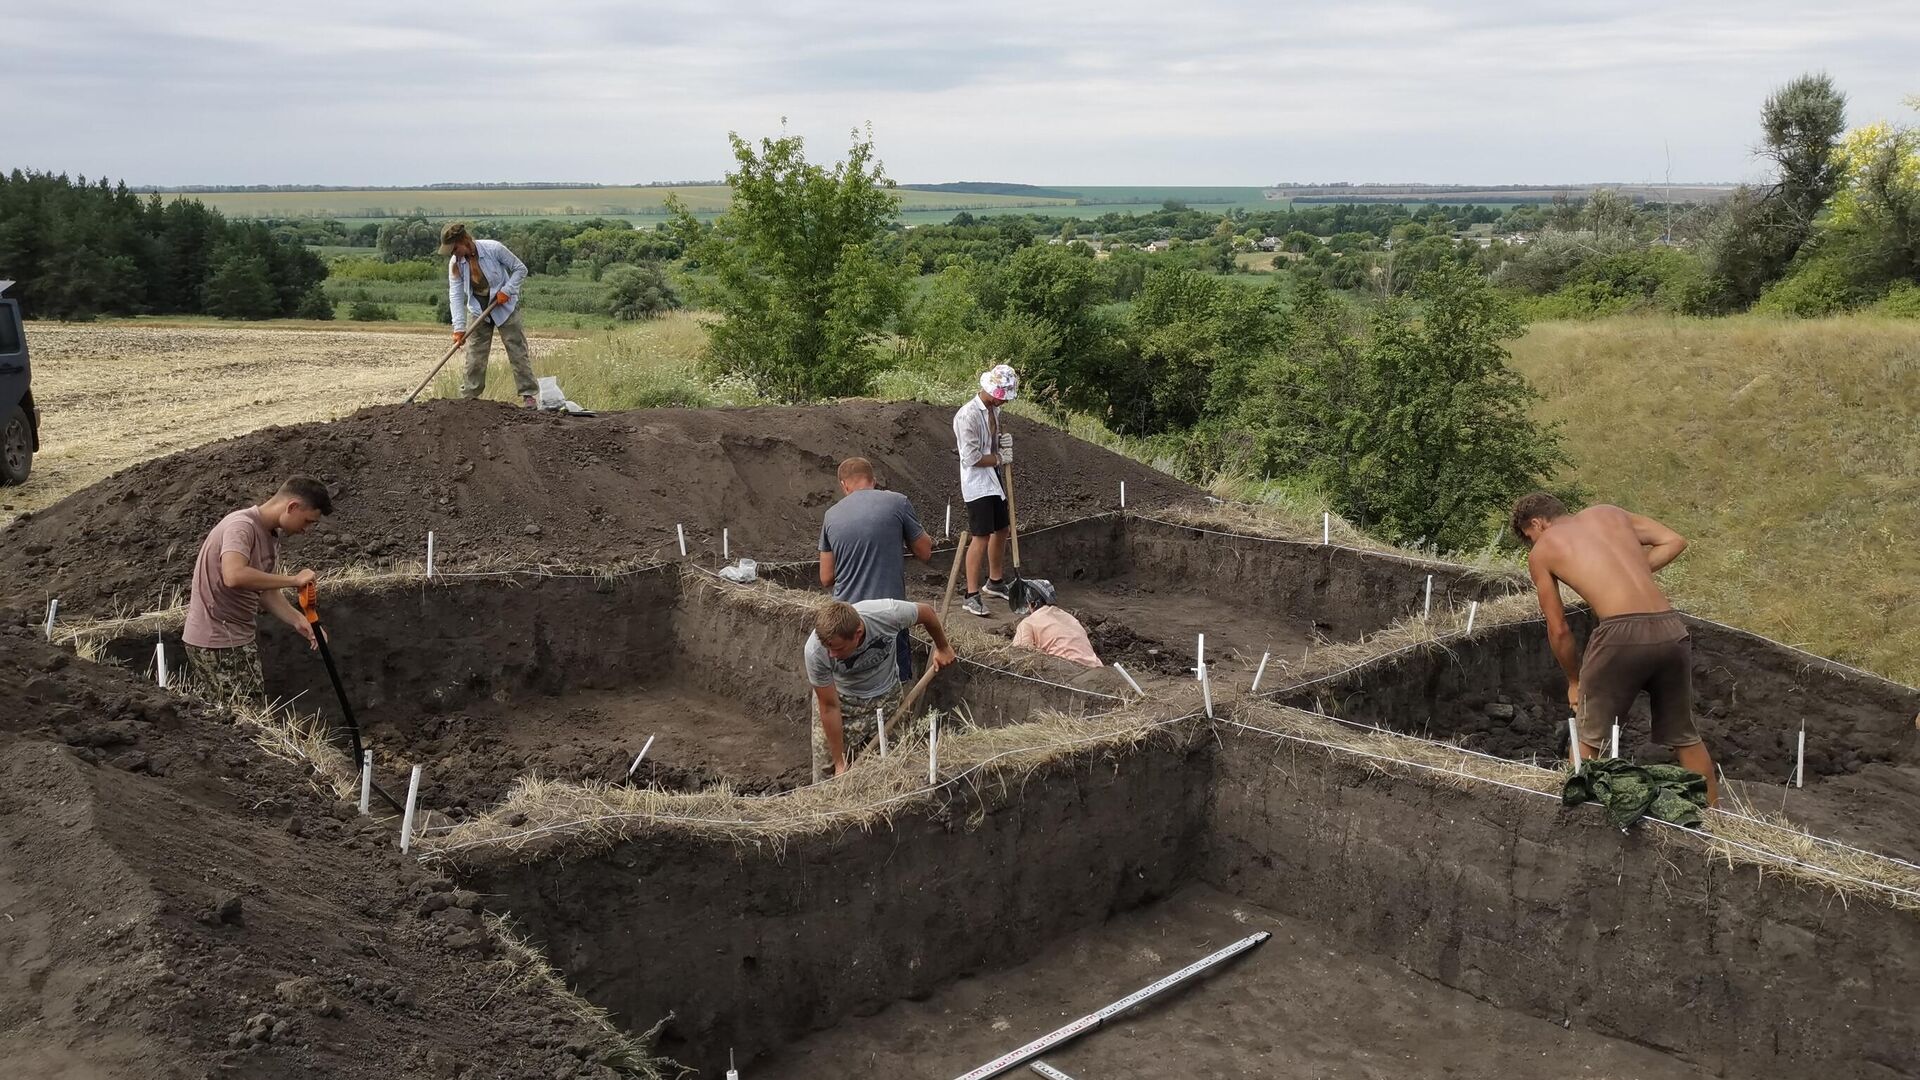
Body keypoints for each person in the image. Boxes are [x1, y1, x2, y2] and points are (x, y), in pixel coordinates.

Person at [1510, 492, 1717, 806]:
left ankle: (1574, 817)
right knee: (1686, 737)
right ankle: (1715, 823)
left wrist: (1574, 682)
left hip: (1620, 634)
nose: (1532, 543)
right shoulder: (1609, 513)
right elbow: (1674, 540)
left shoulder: (1544, 550)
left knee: (1589, 737)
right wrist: (1630, 572)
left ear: (1537, 523)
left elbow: (1559, 630)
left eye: (1530, 536)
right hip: (1671, 630)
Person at [181, 477, 332, 702]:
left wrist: (300, 621)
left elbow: (266, 592)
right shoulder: (241, 526)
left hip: (237, 637)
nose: (306, 530)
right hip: (217, 641)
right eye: (308, 521)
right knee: (244, 720)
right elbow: (234, 575)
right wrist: (294, 580)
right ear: (292, 507)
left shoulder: (270, 537)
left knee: (246, 714)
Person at [805, 599, 956, 781]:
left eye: (838, 649)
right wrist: (839, 763)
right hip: (843, 702)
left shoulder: (887, 615)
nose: (832, 655)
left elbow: (927, 613)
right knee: (828, 776)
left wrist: (943, 647)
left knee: (889, 768)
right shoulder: (815, 651)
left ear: (858, 633)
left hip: (886, 698)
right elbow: (829, 707)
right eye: (828, 649)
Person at [819, 457, 934, 683]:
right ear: (874, 480)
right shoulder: (897, 503)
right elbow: (925, 551)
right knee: (895, 684)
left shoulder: (831, 515)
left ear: (844, 485)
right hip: (888, 613)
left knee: (851, 685)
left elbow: (826, 577)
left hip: (847, 617)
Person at [440, 222, 536, 407]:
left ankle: (528, 395)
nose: (453, 254)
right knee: (475, 355)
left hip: (503, 305)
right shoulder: (456, 264)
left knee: (517, 349)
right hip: (478, 308)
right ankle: (469, 399)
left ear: (464, 241)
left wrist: (507, 290)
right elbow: (456, 294)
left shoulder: (494, 249)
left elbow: (520, 269)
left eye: (454, 249)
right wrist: (458, 329)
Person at [954, 363, 1018, 617]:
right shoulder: (967, 416)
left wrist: (1000, 443)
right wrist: (1000, 457)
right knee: (980, 536)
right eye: (1002, 397)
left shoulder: (993, 410)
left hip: (993, 479)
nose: (1004, 402)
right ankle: (970, 595)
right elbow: (971, 458)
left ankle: (995, 581)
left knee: (1002, 529)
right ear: (991, 391)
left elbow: (990, 444)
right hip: (977, 483)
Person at [1010, 580, 1102, 668]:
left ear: (1033, 604)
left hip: (1070, 671)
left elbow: (1021, 654)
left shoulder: (1028, 622)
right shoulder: (1070, 618)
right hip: (1098, 669)